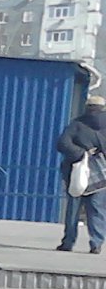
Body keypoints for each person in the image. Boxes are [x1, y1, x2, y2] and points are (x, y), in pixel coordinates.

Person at [55, 93, 106, 254]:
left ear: (87, 107)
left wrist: (81, 153)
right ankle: (96, 243)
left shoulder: (76, 124)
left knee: (73, 209)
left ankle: (68, 242)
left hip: (76, 172)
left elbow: (62, 143)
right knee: (97, 209)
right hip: (101, 173)